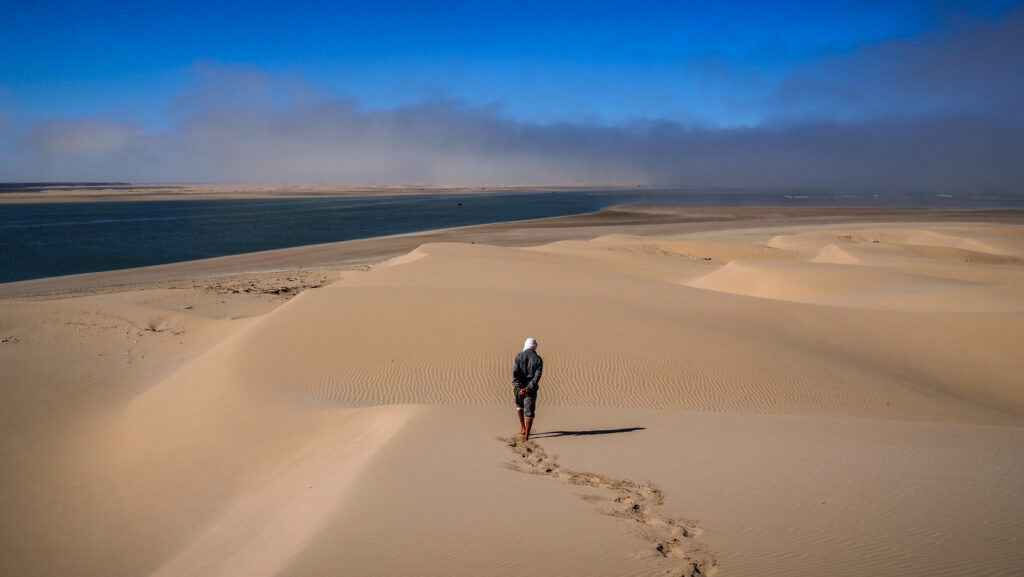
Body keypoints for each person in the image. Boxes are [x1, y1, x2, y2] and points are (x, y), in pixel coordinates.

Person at [513, 337, 543, 441]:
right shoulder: (538, 359)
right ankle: (526, 437)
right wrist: (528, 388)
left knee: (519, 406)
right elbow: (537, 377)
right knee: (529, 412)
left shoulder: (518, 356)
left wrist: (519, 388)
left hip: (519, 389)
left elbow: (515, 374)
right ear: (535, 347)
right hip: (531, 390)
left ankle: (523, 428)